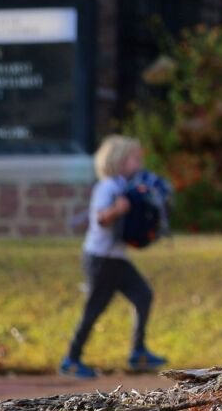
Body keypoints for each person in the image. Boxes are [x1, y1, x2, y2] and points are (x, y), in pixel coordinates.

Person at [59, 135, 168, 377]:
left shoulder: (123, 186)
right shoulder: (108, 186)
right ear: (118, 160)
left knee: (143, 294)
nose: (139, 164)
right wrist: (118, 209)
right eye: (134, 159)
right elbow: (101, 218)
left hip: (116, 259)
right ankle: (71, 360)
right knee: (94, 309)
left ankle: (138, 351)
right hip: (101, 259)